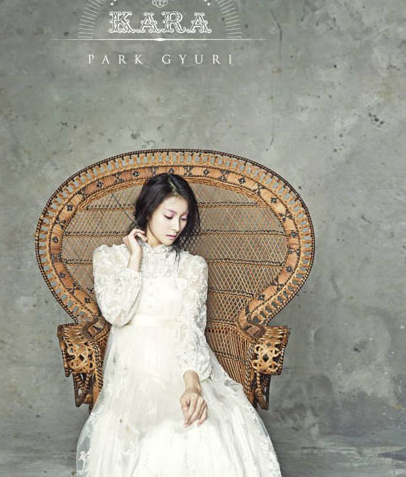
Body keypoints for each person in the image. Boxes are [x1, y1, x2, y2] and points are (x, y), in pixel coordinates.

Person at [75, 172, 283, 476]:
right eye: (169, 216)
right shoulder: (109, 258)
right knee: (157, 436)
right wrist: (135, 259)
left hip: (181, 364)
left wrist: (192, 385)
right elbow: (117, 314)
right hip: (134, 368)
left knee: (200, 429)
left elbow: (189, 329)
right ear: (148, 211)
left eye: (184, 219)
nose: (176, 227)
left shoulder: (192, 266)